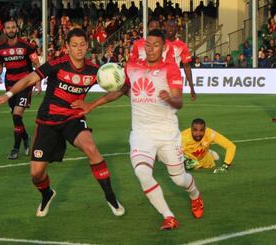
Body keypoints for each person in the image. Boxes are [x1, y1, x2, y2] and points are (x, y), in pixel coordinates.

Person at [71, 29, 204, 230]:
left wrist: (170, 99)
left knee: (179, 180)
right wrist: (92, 105)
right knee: (142, 172)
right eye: (147, 45)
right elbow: (121, 91)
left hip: (167, 132)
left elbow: (178, 101)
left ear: (164, 47)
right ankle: (168, 216)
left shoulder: (171, 69)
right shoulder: (132, 66)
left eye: (156, 45)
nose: (150, 49)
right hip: (141, 133)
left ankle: (195, 195)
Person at [0, 28, 125, 218]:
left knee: (90, 147)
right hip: (48, 120)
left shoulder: (95, 71)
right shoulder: (57, 64)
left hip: (73, 118)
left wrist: (92, 104)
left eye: (82, 44)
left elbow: (121, 88)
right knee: (36, 174)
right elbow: (30, 78)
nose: (79, 49)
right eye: (74, 45)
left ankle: (111, 197)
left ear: (88, 46)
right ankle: (47, 194)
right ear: (67, 47)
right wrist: (8, 94)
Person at [0, 20, 41, 160]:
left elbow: (37, 64)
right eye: (8, 28)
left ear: (17, 28)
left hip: (25, 83)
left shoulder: (27, 46)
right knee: (16, 118)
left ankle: (15, 148)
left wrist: (38, 83)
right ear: (4, 30)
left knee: (17, 114)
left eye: (13, 27)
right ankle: (25, 137)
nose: (10, 30)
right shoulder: (0, 47)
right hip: (10, 85)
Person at [164, 20, 196, 101]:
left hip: (173, 78)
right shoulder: (159, 42)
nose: (170, 29)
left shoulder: (182, 45)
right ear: (165, 28)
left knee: (171, 107)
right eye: (169, 26)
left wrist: (191, 87)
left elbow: (187, 66)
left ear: (176, 29)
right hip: (159, 77)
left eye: (173, 27)